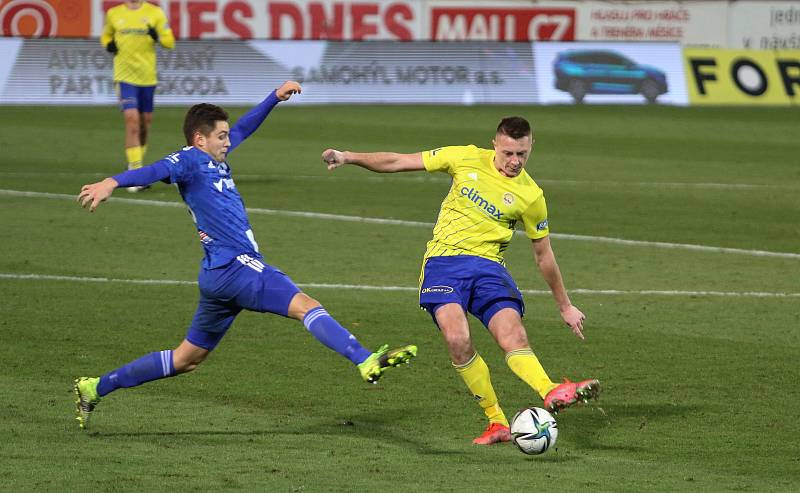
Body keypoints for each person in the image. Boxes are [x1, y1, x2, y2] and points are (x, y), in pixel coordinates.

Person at [74, 81, 417, 430]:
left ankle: (96, 387)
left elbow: (243, 127)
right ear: (199, 139)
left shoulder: (214, 156)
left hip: (217, 275)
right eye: (221, 136)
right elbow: (153, 171)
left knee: (185, 359)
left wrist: (273, 98)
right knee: (306, 306)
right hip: (238, 266)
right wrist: (111, 182)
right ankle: (364, 359)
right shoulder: (189, 160)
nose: (228, 140)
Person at [321, 116, 599, 445]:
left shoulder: (531, 195)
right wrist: (348, 156)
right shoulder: (463, 156)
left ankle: (551, 390)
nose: (514, 161)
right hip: (444, 264)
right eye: (508, 153)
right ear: (495, 143)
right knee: (457, 339)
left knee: (512, 333)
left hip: (489, 268)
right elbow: (399, 161)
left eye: (522, 154)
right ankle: (496, 422)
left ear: (531, 147)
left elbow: (544, 255)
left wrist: (565, 306)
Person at [101, 0, 175, 192]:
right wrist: (108, 44)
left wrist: (156, 36)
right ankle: (136, 171)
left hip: (147, 78)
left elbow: (170, 42)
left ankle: (135, 166)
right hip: (124, 77)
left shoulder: (155, 13)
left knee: (144, 124)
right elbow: (106, 34)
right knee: (132, 120)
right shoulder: (114, 13)